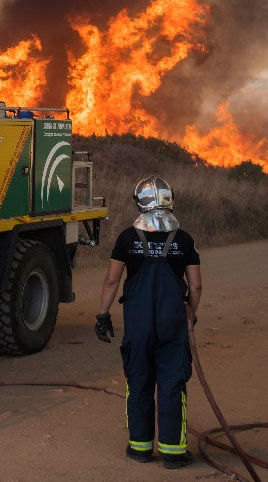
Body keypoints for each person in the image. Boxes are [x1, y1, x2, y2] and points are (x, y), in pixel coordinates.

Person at [95, 176, 203, 469]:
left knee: (139, 381)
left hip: (138, 323)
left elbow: (111, 281)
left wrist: (103, 315)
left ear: (139, 203)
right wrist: (190, 314)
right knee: (172, 383)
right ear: (170, 200)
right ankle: (173, 453)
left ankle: (140, 448)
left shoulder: (127, 239)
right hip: (172, 322)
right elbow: (195, 287)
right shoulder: (183, 239)